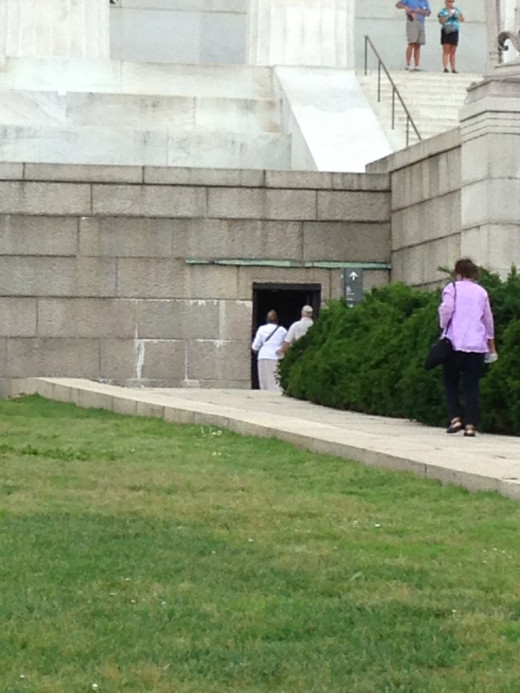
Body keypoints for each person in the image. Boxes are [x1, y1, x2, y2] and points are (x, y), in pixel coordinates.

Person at [439, 258, 497, 437]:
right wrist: (491, 344)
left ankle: (455, 418)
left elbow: (447, 309)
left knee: (450, 381)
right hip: (477, 345)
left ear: (458, 273)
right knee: (471, 385)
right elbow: (488, 319)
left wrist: (443, 325)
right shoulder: (481, 292)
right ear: (474, 274)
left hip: (455, 342)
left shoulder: (452, 288)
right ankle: (471, 425)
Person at [251, 309, 287, 391]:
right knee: (274, 380)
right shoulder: (282, 330)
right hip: (276, 356)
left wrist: (255, 349)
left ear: (267, 319)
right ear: (277, 319)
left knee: (264, 380)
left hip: (263, 356)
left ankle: (264, 396)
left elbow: (255, 346)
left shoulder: (262, 329)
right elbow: (287, 342)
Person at [395, 0, 432, 71]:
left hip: (421, 22)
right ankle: (408, 64)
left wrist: (419, 11)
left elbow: (428, 13)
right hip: (412, 21)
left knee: (418, 44)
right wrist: (405, 7)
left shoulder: (425, 2)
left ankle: (417, 65)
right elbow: (398, 5)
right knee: (411, 43)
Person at [438, 0, 464, 73]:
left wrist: (457, 16)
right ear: (446, 2)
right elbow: (441, 21)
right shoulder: (443, 11)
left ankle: (453, 68)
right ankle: (445, 67)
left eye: (452, 2)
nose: (450, 3)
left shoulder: (457, 10)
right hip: (446, 30)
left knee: (453, 50)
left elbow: (462, 19)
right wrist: (448, 16)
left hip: (454, 30)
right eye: (449, 1)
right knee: (446, 49)